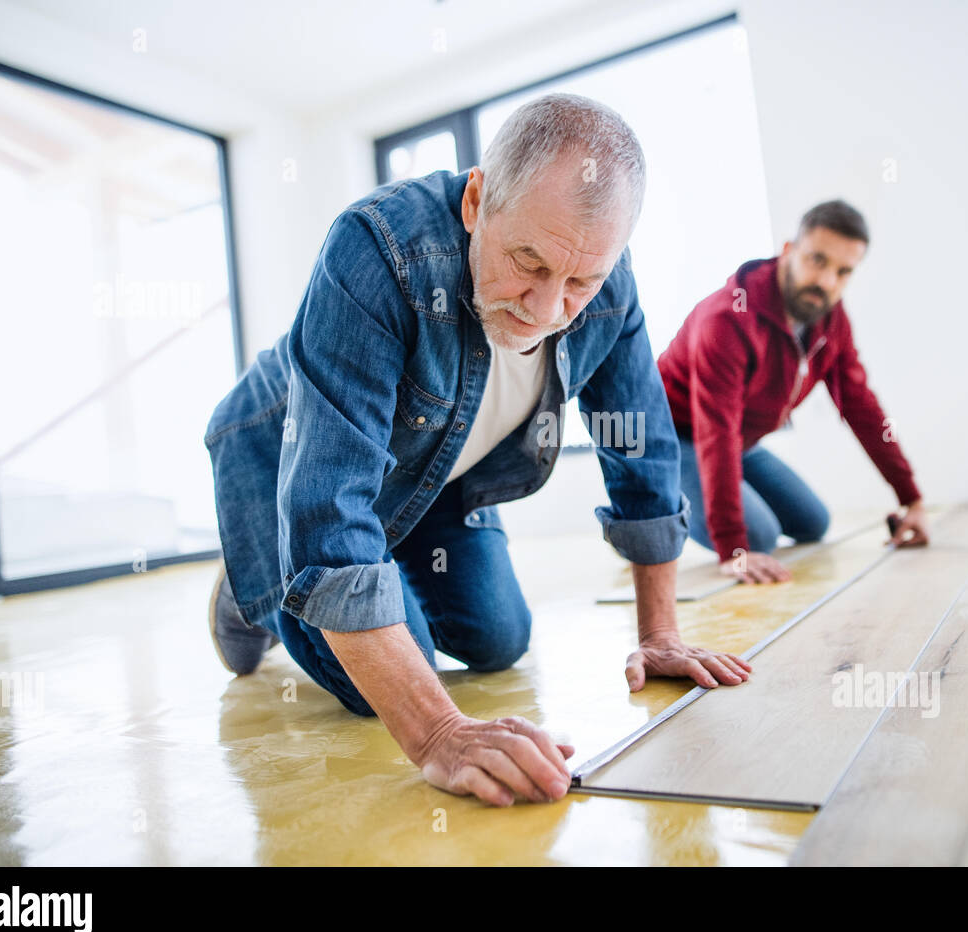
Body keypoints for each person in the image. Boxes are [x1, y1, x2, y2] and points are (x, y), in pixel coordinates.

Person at [202, 93, 751, 808]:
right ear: (475, 202)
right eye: (527, 261)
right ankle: (252, 591)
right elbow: (329, 518)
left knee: (499, 638)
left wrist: (660, 632)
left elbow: (641, 449)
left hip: (430, 478)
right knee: (388, 685)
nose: (548, 309)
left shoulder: (606, 281)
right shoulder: (374, 249)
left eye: (579, 282)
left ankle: (367, 564)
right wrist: (437, 736)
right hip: (283, 465)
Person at [657, 200, 930, 585]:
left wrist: (910, 498)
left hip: (737, 441)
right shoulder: (727, 319)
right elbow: (715, 430)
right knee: (758, 537)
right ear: (789, 251)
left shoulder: (829, 319)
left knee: (813, 522)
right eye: (817, 260)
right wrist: (734, 548)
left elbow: (861, 407)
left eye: (843, 271)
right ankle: (640, 515)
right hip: (673, 438)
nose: (827, 281)